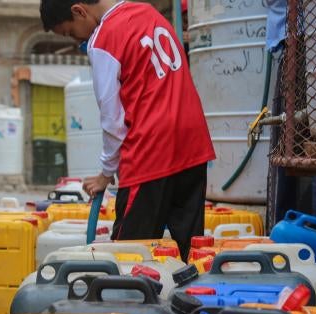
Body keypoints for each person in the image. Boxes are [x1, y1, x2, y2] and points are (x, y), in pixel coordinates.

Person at [39, 0, 216, 260]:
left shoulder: (104, 39)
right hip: (193, 140)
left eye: (70, 32)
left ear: (79, 11)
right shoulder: (147, 12)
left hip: (151, 150)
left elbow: (112, 119)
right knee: (190, 253)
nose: (77, 41)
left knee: (128, 255)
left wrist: (106, 173)